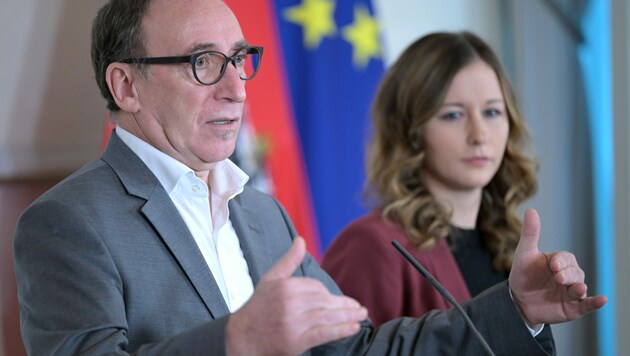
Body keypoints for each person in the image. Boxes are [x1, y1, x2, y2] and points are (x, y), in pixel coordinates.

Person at [13, 1, 606, 355]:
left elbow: (361, 349)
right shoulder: (66, 223)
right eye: (202, 63)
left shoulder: (261, 212)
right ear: (125, 87)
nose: (235, 87)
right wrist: (238, 343)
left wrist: (516, 309)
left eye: (239, 60)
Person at [321, 31, 540, 328]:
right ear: (409, 131)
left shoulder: (508, 245)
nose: (479, 135)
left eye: (491, 112)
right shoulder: (370, 247)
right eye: (453, 115)